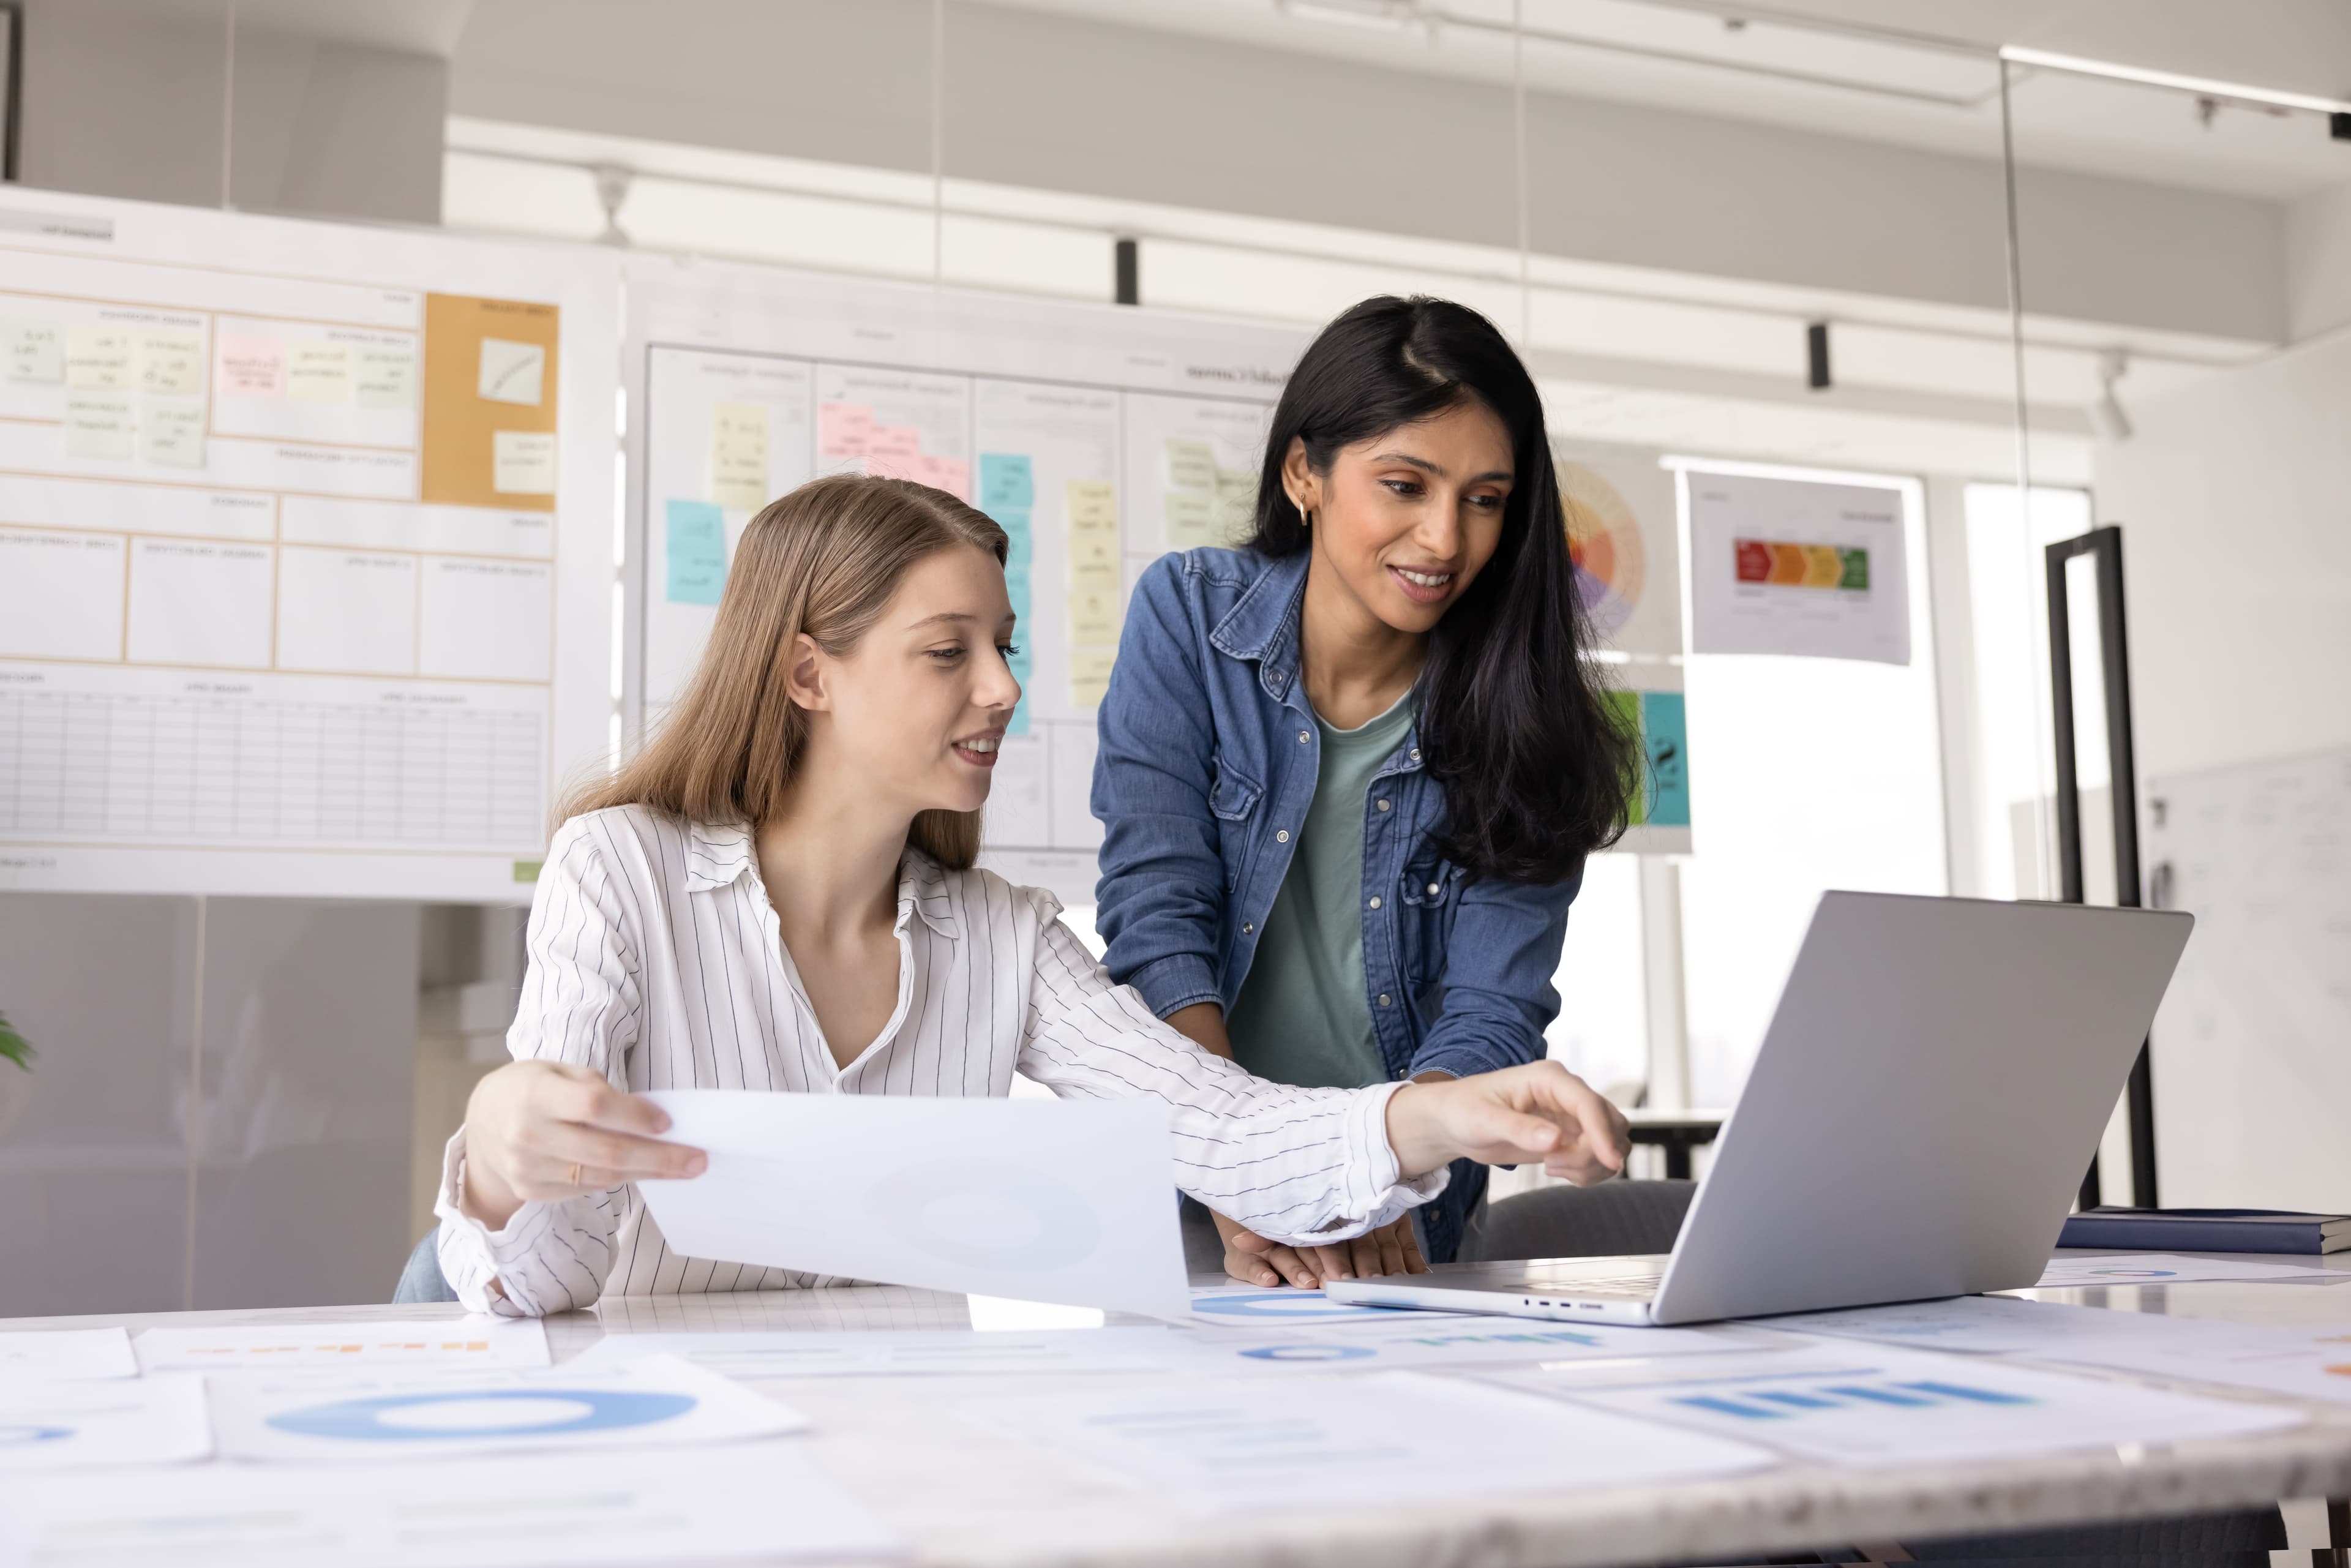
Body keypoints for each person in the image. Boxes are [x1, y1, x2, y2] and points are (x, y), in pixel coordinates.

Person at [433, 472, 1629, 1315]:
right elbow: (546, 1283)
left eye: (1004, 647)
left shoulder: (1002, 937)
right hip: (676, 1458)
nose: (1003, 688)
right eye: (949, 652)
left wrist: (1448, 1115)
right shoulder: (623, 868)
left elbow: (1216, 1126)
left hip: (905, 1460)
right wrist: (496, 1161)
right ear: (809, 672)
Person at [1092, 296, 1641, 1290]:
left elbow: (1492, 1010)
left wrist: (1379, 1174)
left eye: (1485, 497)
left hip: (1400, 1204)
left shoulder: (1530, 714)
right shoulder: (1188, 617)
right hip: (1201, 1191)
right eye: (1404, 484)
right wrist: (1260, 1176)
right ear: (1304, 472)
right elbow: (1157, 927)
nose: (1443, 537)